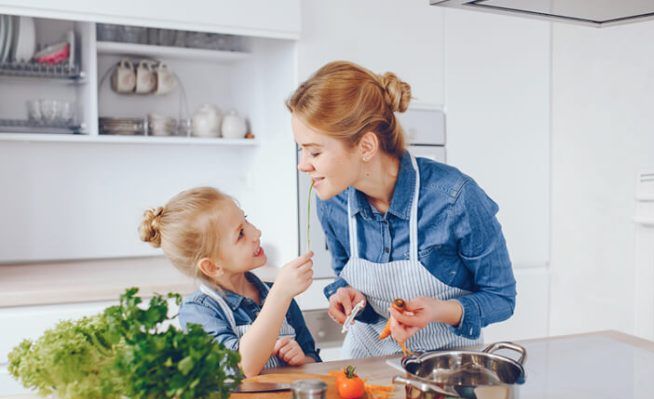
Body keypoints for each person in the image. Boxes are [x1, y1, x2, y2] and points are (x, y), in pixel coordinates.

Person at [287, 61, 517, 358]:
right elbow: (344, 274)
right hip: (365, 361)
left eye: (315, 151)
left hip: (445, 366)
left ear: (366, 147)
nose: (303, 164)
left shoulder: (455, 198)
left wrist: (438, 311)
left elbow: (501, 298)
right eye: (301, 149)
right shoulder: (332, 202)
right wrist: (345, 295)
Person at [139, 187, 320, 376]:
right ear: (212, 267)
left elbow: (314, 360)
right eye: (240, 233)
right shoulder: (199, 311)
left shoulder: (275, 293)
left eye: (246, 220)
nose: (256, 232)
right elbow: (240, 368)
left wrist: (302, 361)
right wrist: (280, 295)